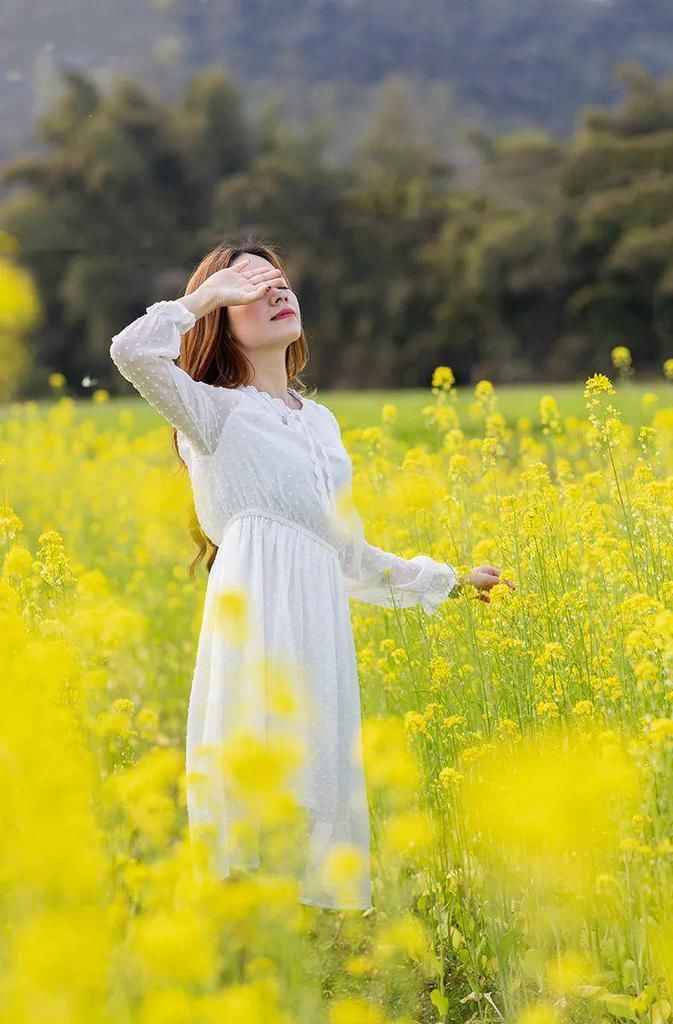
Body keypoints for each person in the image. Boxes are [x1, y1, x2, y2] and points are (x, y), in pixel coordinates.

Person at [109, 239, 515, 910]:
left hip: (316, 625)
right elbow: (131, 352)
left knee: (311, 792)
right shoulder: (212, 414)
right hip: (255, 622)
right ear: (220, 315)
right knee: (254, 796)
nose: (273, 291)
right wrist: (205, 293)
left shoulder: (320, 424)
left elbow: (346, 555)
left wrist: (449, 580)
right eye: (250, 285)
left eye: (279, 282)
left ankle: (303, 963)